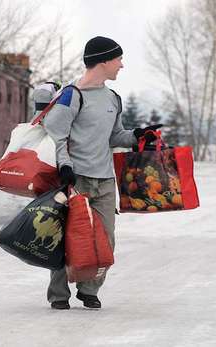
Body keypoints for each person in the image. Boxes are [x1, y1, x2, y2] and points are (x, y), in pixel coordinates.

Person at [43, 36, 161, 310]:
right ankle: (59, 294)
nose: (122, 64)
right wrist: (64, 166)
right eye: (118, 59)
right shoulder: (72, 95)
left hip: (105, 180)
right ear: (104, 61)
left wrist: (137, 135)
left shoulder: (112, 98)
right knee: (69, 237)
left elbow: (114, 136)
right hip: (75, 178)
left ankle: (89, 289)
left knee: (105, 238)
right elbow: (56, 135)